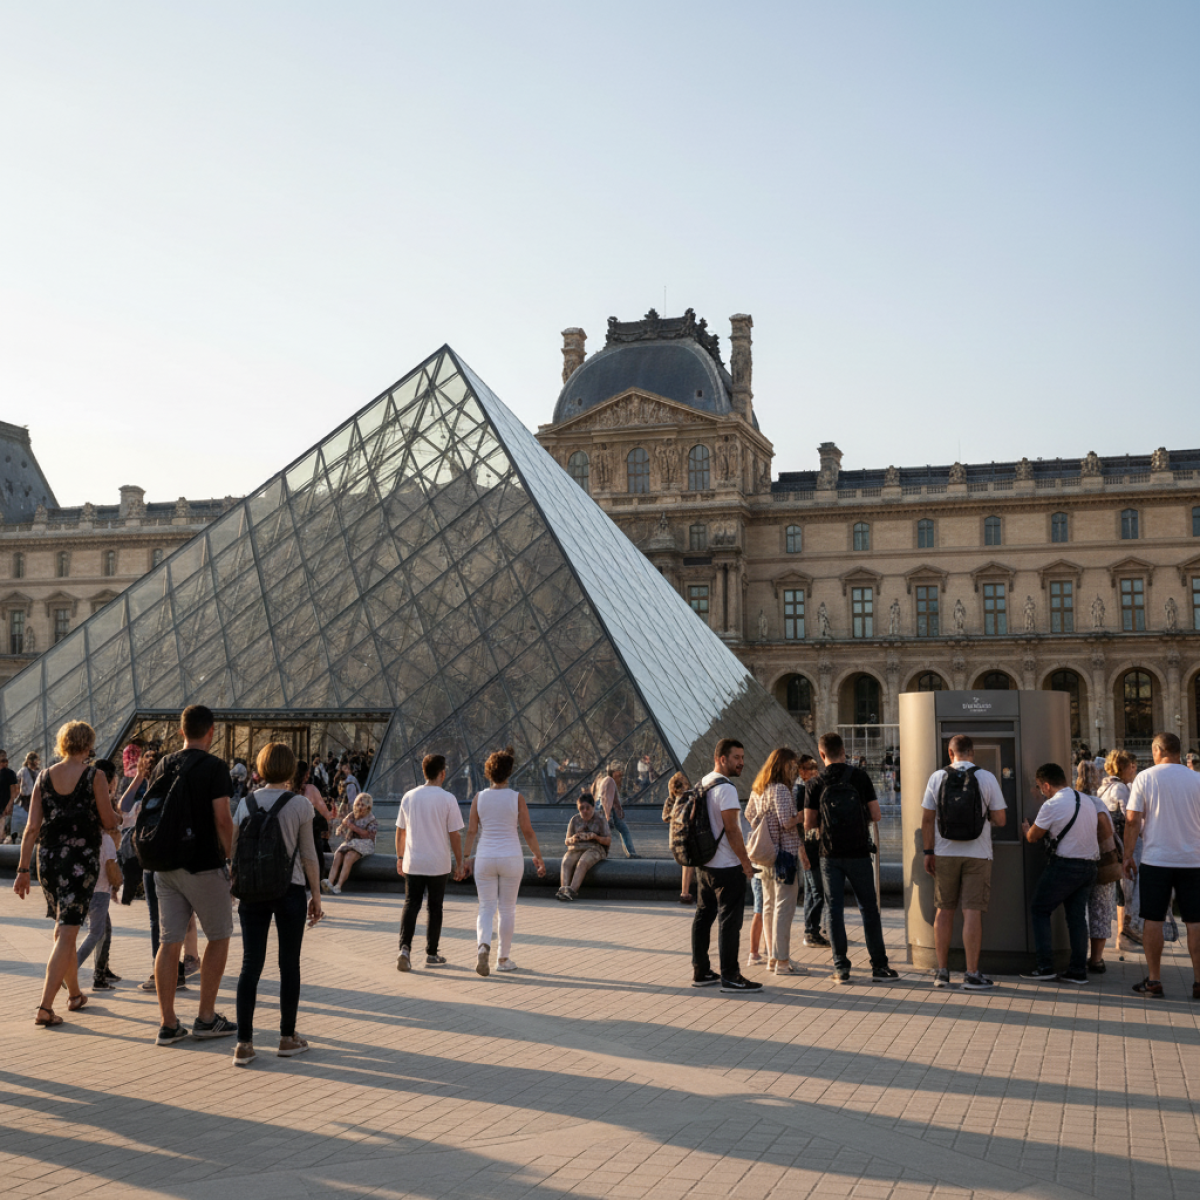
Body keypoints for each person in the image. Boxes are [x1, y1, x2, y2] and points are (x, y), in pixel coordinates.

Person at [13, 721, 120, 1026]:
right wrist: (118, 819)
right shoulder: (95, 776)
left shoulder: (44, 776)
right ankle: (45, 1007)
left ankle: (74, 994)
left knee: (64, 928)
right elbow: (107, 819)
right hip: (79, 861)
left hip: (48, 860)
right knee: (68, 931)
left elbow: (31, 828)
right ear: (88, 745)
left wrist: (22, 869)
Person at [147, 704, 238, 1046]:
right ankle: (206, 1017)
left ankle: (168, 1023)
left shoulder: (163, 764)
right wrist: (231, 858)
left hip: (165, 864)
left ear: (181, 730)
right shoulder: (215, 767)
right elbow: (223, 819)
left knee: (169, 941)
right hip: (202, 864)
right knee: (219, 935)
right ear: (211, 731)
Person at [228, 742, 323, 1066]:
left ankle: (244, 1043)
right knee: (289, 964)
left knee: (250, 965)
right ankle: (286, 1037)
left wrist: (233, 886)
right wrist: (316, 896)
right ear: (291, 769)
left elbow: (234, 850)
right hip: (289, 890)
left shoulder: (246, 803)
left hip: (252, 892)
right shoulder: (300, 804)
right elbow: (309, 855)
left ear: (261, 767)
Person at [804, 732, 898, 984]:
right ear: (843, 751)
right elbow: (876, 815)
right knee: (869, 908)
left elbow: (809, 823)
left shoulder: (815, 783)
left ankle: (841, 968)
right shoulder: (859, 776)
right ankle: (879, 966)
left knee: (834, 910)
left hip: (829, 854)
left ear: (821, 754)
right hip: (858, 852)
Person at [919, 734, 1007, 990]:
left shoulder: (937, 777)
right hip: (978, 854)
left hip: (944, 853)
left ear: (950, 753)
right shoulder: (986, 777)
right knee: (972, 912)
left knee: (944, 910)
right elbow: (1001, 820)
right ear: (972, 752)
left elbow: (927, 819)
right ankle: (971, 974)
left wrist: (928, 852)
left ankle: (942, 972)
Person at [1124, 732, 1200, 999]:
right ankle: (1199, 981)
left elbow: (1132, 820)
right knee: (1195, 920)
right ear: (1179, 752)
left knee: (1153, 919)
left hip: (1157, 859)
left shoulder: (1146, 777)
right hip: (1193, 860)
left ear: (1158, 750)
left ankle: (1154, 979)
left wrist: (1127, 855)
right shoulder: (1197, 779)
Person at [462, 750, 546, 974]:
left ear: (488, 772)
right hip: (511, 857)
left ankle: (483, 947)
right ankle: (503, 959)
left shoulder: (479, 798)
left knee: (485, 907)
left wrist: (465, 858)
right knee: (507, 909)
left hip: (485, 857)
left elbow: (471, 831)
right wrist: (538, 856)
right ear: (509, 772)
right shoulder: (516, 798)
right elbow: (527, 831)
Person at [1020, 761, 1102, 985]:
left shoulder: (1052, 805)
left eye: (1040, 788)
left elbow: (1034, 837)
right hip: (1089, 867)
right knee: (1076, 918)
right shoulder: (1086, 800)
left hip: (1066, 866)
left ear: (1046, 785)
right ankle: (1077, 971)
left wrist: (1026, 830)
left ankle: (1045, 967)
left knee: (1039, 909)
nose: (1040, 792)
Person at [691, 738, 761, 994]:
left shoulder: (703, 783)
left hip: (705, 864)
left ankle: (701, 971)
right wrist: (746, 863)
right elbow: (732, 830)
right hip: (727, 866)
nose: (741, 762)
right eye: (736, 758)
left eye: (742, 757)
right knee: (729, 922)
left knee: (703, 916)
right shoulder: (726, 788)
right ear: (722, 759)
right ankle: (731, 976)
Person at [395, 754, 464, 969]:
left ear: (424, 772)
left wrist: (400, 857)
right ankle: (432, 954)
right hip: (438, 863)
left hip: (414, 861)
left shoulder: (409, 796)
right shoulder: (448, 799)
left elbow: (400, 831)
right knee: (435, 908)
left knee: (411, 904)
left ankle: (404, 949)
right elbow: (455, 835)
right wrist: (460, 862)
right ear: (442, 773)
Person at [747, 747, 806, 976]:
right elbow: (786, 822)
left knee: (769, 906)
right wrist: (801, 816)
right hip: (784, 856)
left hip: (765, 856)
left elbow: (749, 815)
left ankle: (773, 958)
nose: (794, 771)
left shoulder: (759, 788)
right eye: (792, 766)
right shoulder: (780, 789)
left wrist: (765, 829)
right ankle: (782, 961)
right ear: (784, 765)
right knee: (784, 907)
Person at [77, 759, 123, 991]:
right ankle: (73, 969)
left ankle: (101, 971)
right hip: (98, 882)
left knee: (103, 929)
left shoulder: (83, 793)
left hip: (88, 878)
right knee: (97, 932)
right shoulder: (99, 798)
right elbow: (112, 824)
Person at [1076, 759, 1119, 973]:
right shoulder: (1099, 804)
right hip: (1102, 864)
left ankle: (1077, 956)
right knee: (1101, 911)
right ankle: (1097, 959)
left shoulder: (1072, 801)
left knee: (1077, 912)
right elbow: (1109, 832)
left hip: (1077, 862)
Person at [1098, 749, 1139, 943]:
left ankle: (1122, 932)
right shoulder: (1120, 788)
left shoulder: (1104, 787)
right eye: (1131, 767)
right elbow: (1130, 817)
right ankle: (1124, 932)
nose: (1134, 770)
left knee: (1120, 890)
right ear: (1122, 768)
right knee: (1126, 888)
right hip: (1121, 845)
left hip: (1109, 846)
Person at [795, 754, 828, 948]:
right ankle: (811, 932)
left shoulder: (807, 788)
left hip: (809, 845)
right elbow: (800, 822)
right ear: (801, 771)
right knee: (818, 890)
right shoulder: (801, 791)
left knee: (811, 890)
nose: (815, 771)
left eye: (815, 767)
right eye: (810, 768)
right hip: (809, 846)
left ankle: (810, 930)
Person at [557, 792, 610, 901]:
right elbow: (567, 841)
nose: (584, 811)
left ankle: (571, 891)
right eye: (581, 808)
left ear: (593, 807)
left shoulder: (601, 819)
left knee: (583, 862)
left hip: (595, 848)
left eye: (587, 808)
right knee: (566, 861)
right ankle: (564, 890)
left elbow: (608, 841)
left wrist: (595, 837)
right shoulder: (574, 820)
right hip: (576, 848)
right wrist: (573, 839)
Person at [325, 794, 378, 894]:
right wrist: (340, 829)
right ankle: (329, 882)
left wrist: (352, 827)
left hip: (364, 844)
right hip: (351, 842)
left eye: (362, 805)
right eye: (358, 804)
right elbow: (343, 824)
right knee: (338, 854)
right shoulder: (352, 815)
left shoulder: (371, 819)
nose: (359, 807)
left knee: (349, 857)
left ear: (368, 806)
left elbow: (368, 835)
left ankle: (338, 885)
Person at [294, 759, 333, 883]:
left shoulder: (286, 789)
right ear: (306, 774)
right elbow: (325, 813)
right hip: (310, 833)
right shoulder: (311, 789)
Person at [662, 771, 694, 904]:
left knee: (686, 864)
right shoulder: (688, 799)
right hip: (685, 836)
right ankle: (685, 893)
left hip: (674, 839)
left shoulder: (670, 800)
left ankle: (684, 892)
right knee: (689, 864)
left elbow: (665, 817)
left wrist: (673, 816)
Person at [595, 763, 638, 858]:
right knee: (617, 831)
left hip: (610, 810)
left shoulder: (607, 780)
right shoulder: (609, 780)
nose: (621, 776)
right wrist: (608, 816)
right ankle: (628, 853)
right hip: (608, 810)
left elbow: (613, 799)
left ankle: (630, 852)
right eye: (619, 773)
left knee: (621, 830)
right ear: (613, 772)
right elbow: (607, 799)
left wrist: (619, 809)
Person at [0, 749, 17, 842]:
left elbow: (14, 791)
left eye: (6, 759)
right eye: (2, 760)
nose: (5, 762)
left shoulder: (10, 773)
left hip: (5, 806)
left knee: (3, 832)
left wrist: (9, 805)